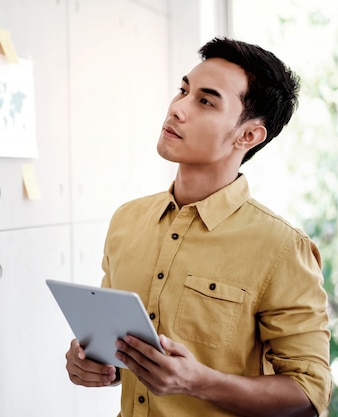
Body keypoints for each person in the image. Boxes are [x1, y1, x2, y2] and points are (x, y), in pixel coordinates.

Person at [65, 37, 332, 417]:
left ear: (249, 135)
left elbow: (308, 393)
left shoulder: (282, 247)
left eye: (205, 101)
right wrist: (94, 364)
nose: (177, 109)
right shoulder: (127, 220)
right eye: (183, 90)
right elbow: (121, 350)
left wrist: (198, 381)